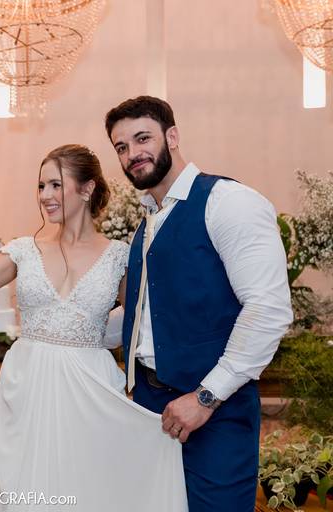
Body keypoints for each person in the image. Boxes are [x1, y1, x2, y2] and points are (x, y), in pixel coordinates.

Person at [0, 144, 187, 511]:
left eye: (55, 185)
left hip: (90, 388)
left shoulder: (118, 256)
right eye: (41, 186)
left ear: (87, 189)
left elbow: (145, 319)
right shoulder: (23, 251)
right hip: (27, 382)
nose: (45, 195)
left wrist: (95, 332)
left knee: (86, 489)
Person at [105, 96, 292, 512]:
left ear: (172, 137)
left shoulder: (229, 202)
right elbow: (145, 316)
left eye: (142, 138)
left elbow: (268, 309)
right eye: (121, 147)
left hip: (215, 410)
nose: (132, 153)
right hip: (150, 408)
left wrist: (206, 397)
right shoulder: (147, 222)